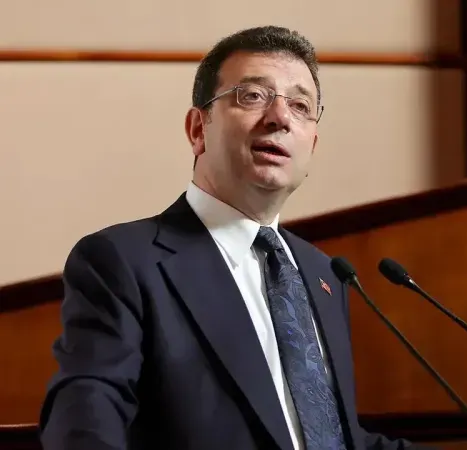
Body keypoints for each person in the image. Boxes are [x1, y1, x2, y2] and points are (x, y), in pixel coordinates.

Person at [39, 26, 424, 450]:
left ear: (312, 143)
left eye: (300, 106)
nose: (280, 118)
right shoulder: (122, 262)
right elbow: (85, 420)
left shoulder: (323, 274)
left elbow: (335, 438)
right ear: (197, 129)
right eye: (252, 96)